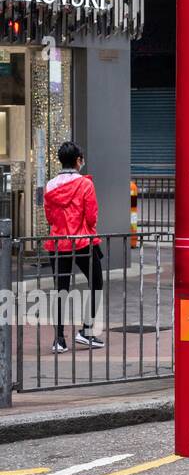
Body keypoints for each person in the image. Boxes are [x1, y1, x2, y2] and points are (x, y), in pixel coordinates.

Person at [43, 141, 105, 353]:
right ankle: (86, 331)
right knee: (96, 282)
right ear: (78, 160)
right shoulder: (85, 184)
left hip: (58, 243)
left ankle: (59, 339)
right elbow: (92, 215)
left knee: (60, 289)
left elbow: (49, 217)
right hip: (82, 243)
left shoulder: (50, 186)